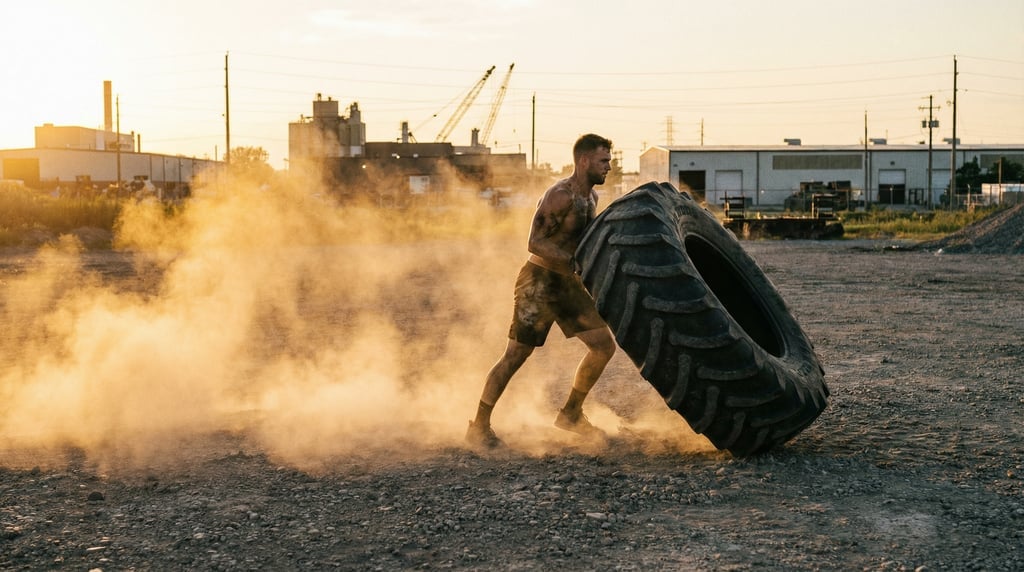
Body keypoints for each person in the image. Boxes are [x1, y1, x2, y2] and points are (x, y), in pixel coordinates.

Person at [467, 133, 617, 449]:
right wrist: (573, 262)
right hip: (538, 282)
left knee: (603, 345)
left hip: (567, 285)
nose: (609, 167)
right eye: (604, 161)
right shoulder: (559, 195)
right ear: (585, 160)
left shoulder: (592, 199)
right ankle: (479, 425)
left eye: (610, 161)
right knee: (515, 355)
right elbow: (534, 242)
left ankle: (571, 413)